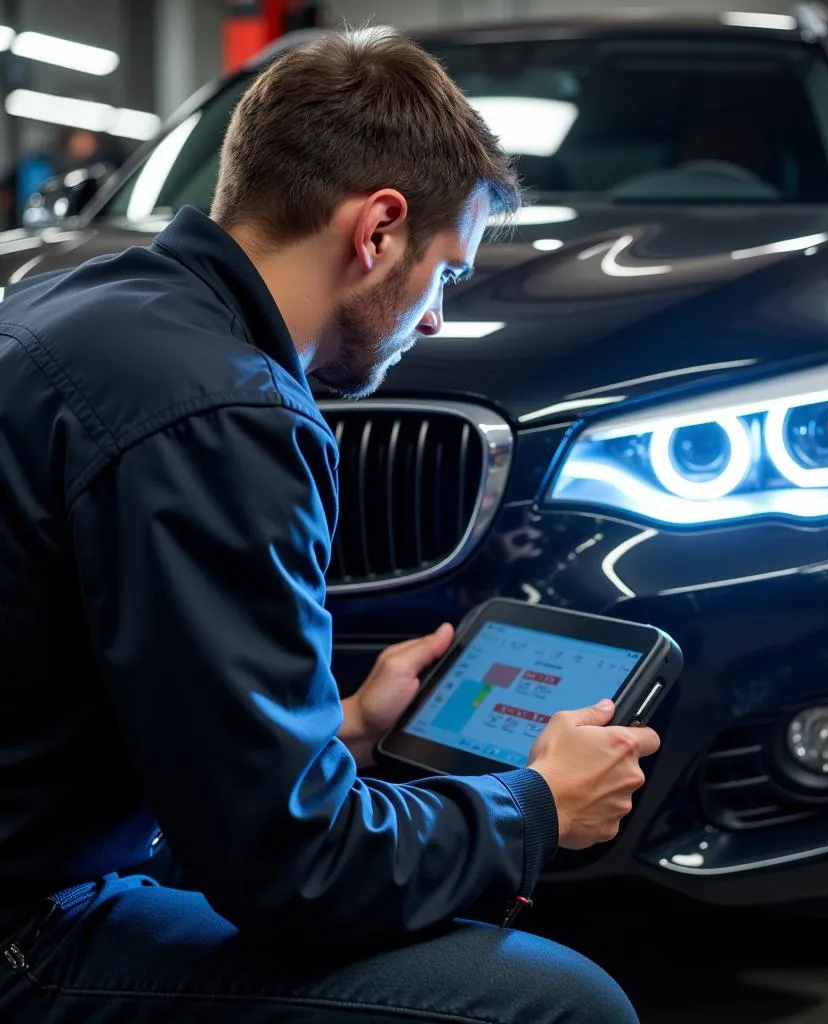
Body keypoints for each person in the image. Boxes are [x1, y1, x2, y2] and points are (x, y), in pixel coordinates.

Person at [0, 31, 661, 1024]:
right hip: (22, 928)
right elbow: (297, 876)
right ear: (379, 230)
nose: (434, 318)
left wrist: (336, 731)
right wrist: (536, 806)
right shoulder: (227, 410)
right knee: (566, 1005)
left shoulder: (72, 309)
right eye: (446, 273)